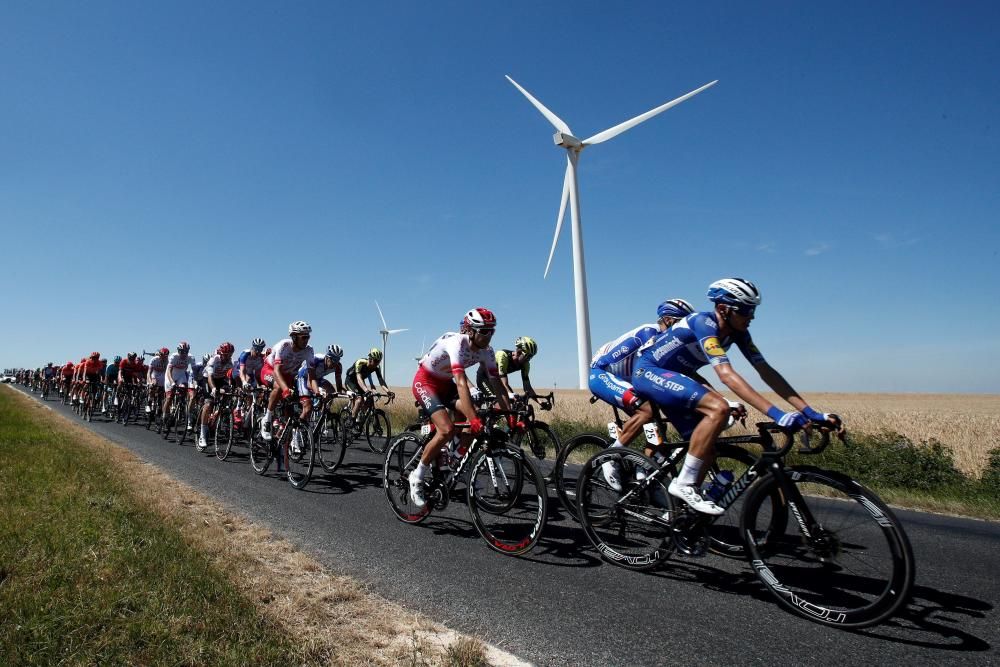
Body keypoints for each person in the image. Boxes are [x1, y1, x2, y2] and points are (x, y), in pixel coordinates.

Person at [632, 278, 842, 515]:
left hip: (679, 377)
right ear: (723, 308)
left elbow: (767, 372)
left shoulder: (740, 333)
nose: (751, 316)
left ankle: (679, 515)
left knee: (706, 450)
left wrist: (810, 411)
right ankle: (683, 484)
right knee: (718, 409)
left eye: (753, 310)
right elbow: (726, 374)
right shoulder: (703, 323)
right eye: (746, 310)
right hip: (648, 372)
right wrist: (778, 415)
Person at [407, 308, 511, 508]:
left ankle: (455, 461)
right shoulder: (457, 343)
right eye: (484, 331)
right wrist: (473, 419)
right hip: (426, 383)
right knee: (446, 429)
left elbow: (497, 383)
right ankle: (417, 475)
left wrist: (509, 416)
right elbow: (462, 383)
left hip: (446, 386)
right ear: (470, 331)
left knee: (477, 416)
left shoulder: (487, 351)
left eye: (492, 331)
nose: (489, 336)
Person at [589, 298, 696, 489]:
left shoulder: (671, 343)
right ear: (670, 321)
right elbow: (605, 361)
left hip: (632, 379)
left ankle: (642, 471)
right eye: (683, 324)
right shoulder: (648, 333)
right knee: (645, 411)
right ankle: (609, 456)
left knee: (658, 430)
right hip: (601, 372)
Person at [259, 321, 315, 443]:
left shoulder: (309, 350)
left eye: (308, 337)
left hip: (289, 376)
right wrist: (285, 390)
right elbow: (276, 371)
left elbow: (312, 377)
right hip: (270, 370)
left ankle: (289, 438)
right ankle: (267, 419)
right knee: (279, 388)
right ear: (294, 337)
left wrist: (318, 392)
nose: (307, 340)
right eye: (304, 337)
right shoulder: (284, 346)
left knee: (291, 410)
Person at [476, 336, 540, 402]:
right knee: (500, 400)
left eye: (531, 357)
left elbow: (527, 387)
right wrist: (511, 395)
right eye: (528, 356)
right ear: (519, 352)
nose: (529, 359)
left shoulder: (525, 364)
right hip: (484, 377)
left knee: (514, 403)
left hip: (497, 380)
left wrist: (540, 403)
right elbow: (504, 384)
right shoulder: (503, 356)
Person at [197, 342, 235, 449]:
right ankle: (202, 435)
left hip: (220, 380)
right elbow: (209, 377)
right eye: (226, 354)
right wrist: (213, 389)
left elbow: (229, 379)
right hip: (208, 379)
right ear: (221, 353)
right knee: (209, 403)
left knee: (228, 393)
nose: (228, 357)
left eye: (230, 354)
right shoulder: (214, 359)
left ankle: (219, 414)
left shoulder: (230, 363)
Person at [162, 341, 195, 428]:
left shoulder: (191, 357)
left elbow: (194, 371)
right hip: (170, 376)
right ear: (178, 351)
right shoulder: (174, 356)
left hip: (181, 376)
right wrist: (172, 382)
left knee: (183, 390)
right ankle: (165, 416)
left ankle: (180, 408)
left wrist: (194, 383)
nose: (184, 354)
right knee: (169, 397)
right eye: (181, 351)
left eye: (186, 352)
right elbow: (169, 371)